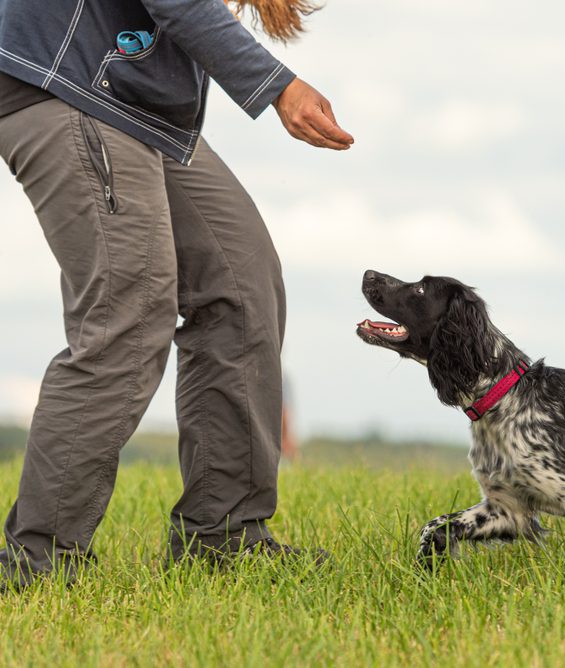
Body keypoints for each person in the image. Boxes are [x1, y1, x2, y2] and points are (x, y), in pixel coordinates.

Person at [0, 0, 353, 590]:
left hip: (137, 106)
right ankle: (38, 563)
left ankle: (222, 536)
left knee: (241, 284)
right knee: (130, 311)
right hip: (68, 81)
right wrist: (277, 85)